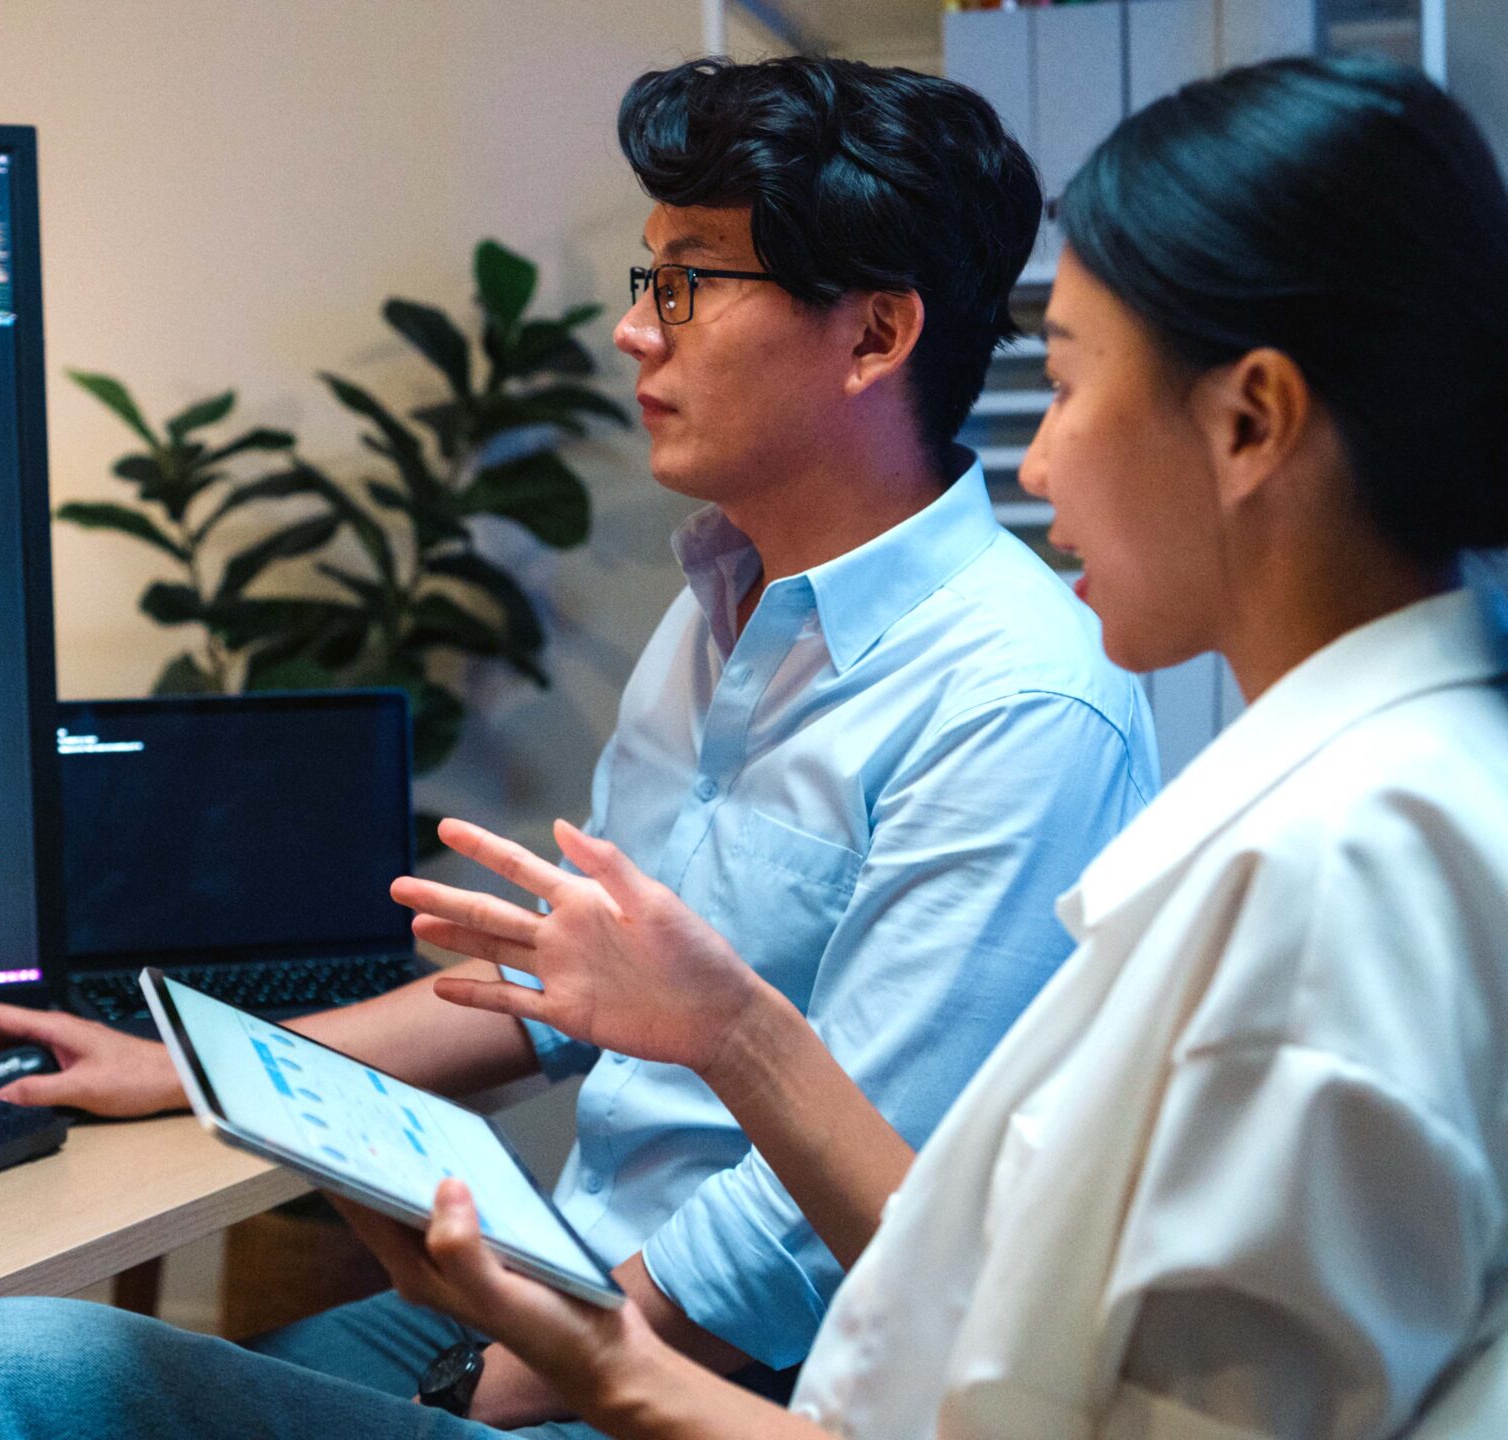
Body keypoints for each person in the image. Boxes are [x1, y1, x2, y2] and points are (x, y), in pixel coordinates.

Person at [0, 55, 1155, 1438]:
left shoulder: (1016, 703)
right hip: (559, 1295)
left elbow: (839, 1218)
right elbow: (549, 997)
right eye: (646, 280)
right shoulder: (721, 607)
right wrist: (197, 1064)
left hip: (713, 1382)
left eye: (688, 284)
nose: (633, 332)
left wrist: (518, 1368)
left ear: (875, 335)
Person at [362, 53, 1508, 1440]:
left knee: (39, 1366)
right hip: (711, 1357)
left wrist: (609, 1374)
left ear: (1250, 421)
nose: (1037, 463)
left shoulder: (1338, 876)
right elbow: (996, 1281)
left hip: (721, 1382)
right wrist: (729, 1031)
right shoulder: (1367, 800)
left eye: (1075, 388)